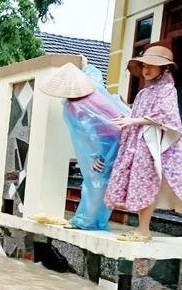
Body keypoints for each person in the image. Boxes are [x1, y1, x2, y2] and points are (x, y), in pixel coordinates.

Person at [104, 46, 182, 242]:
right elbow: (140, 114)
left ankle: (144, 229)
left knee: (147, 182)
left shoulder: (167, 90)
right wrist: (128, 119)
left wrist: (133, 121)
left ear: (164, 68)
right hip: (138, 144)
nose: (146, 69)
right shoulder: (144, 93)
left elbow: (166, 116)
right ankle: (141, 228)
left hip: (151, 146)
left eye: (152, 65)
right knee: (139, 182)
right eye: (144, 65)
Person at [41, 62, 130, 230]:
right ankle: (98, 221)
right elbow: (95, 74)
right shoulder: (95, 89)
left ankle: (86, 220)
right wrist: (85, 64)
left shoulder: (76, 106)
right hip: (121, 137)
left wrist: (96, 156)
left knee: (96, 180)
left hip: (106, 144)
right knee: (102, 181)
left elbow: (91, 134)